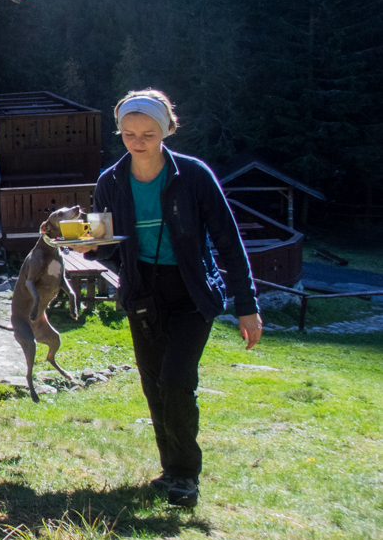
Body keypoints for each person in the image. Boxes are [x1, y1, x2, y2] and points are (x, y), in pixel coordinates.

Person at [76, 89, 262, 508]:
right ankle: (170, 470)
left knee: (177, 380)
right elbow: (109, 245)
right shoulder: (111, 181)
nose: (137, 142)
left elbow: (228, 242)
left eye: (148, 133)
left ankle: (185, 475)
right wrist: (89, 247)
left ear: (166, 131)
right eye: (128, 134)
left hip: (191, 292)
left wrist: (246, 305)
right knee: (154, 386)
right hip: (143, 292)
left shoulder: (194, 176)